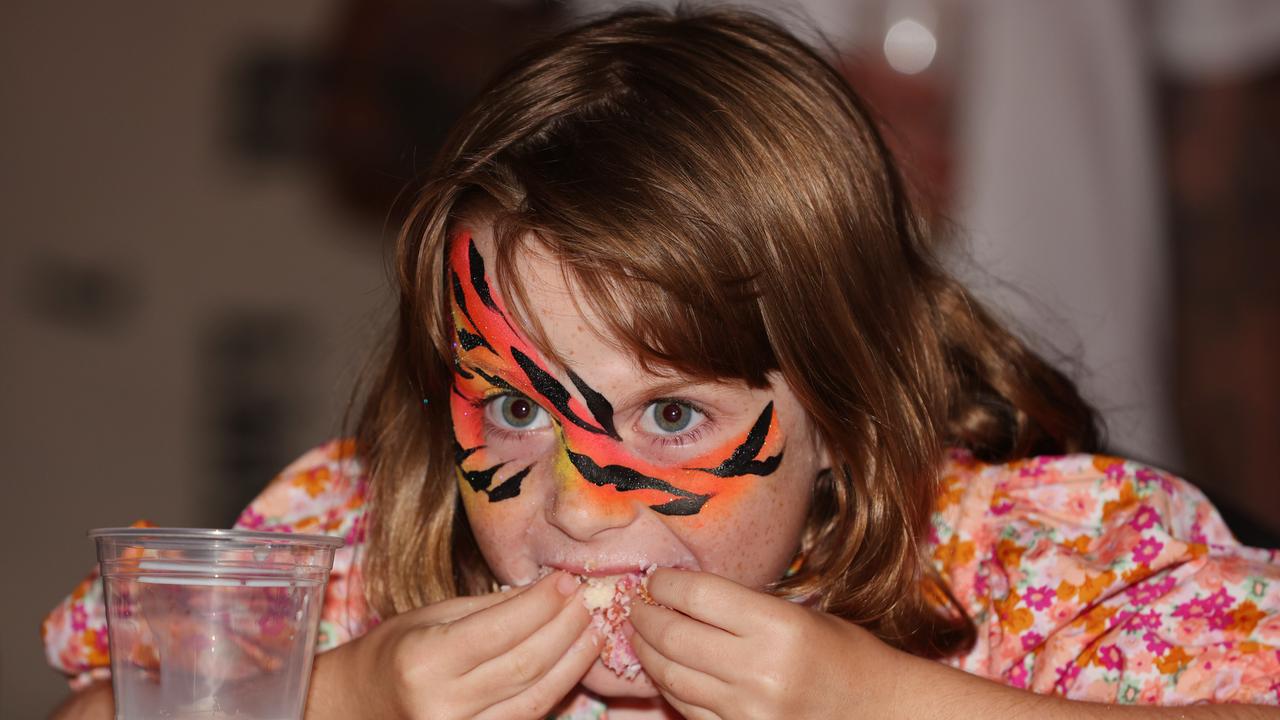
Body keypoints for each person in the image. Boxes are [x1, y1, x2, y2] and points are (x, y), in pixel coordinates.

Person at [45, 7, 1280, 719]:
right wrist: (337, 699)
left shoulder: (1022, 563)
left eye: (673, 414)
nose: (579, 505)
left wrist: (885, 703)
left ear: (846, 411)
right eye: (518, 407)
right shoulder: (357, 549)